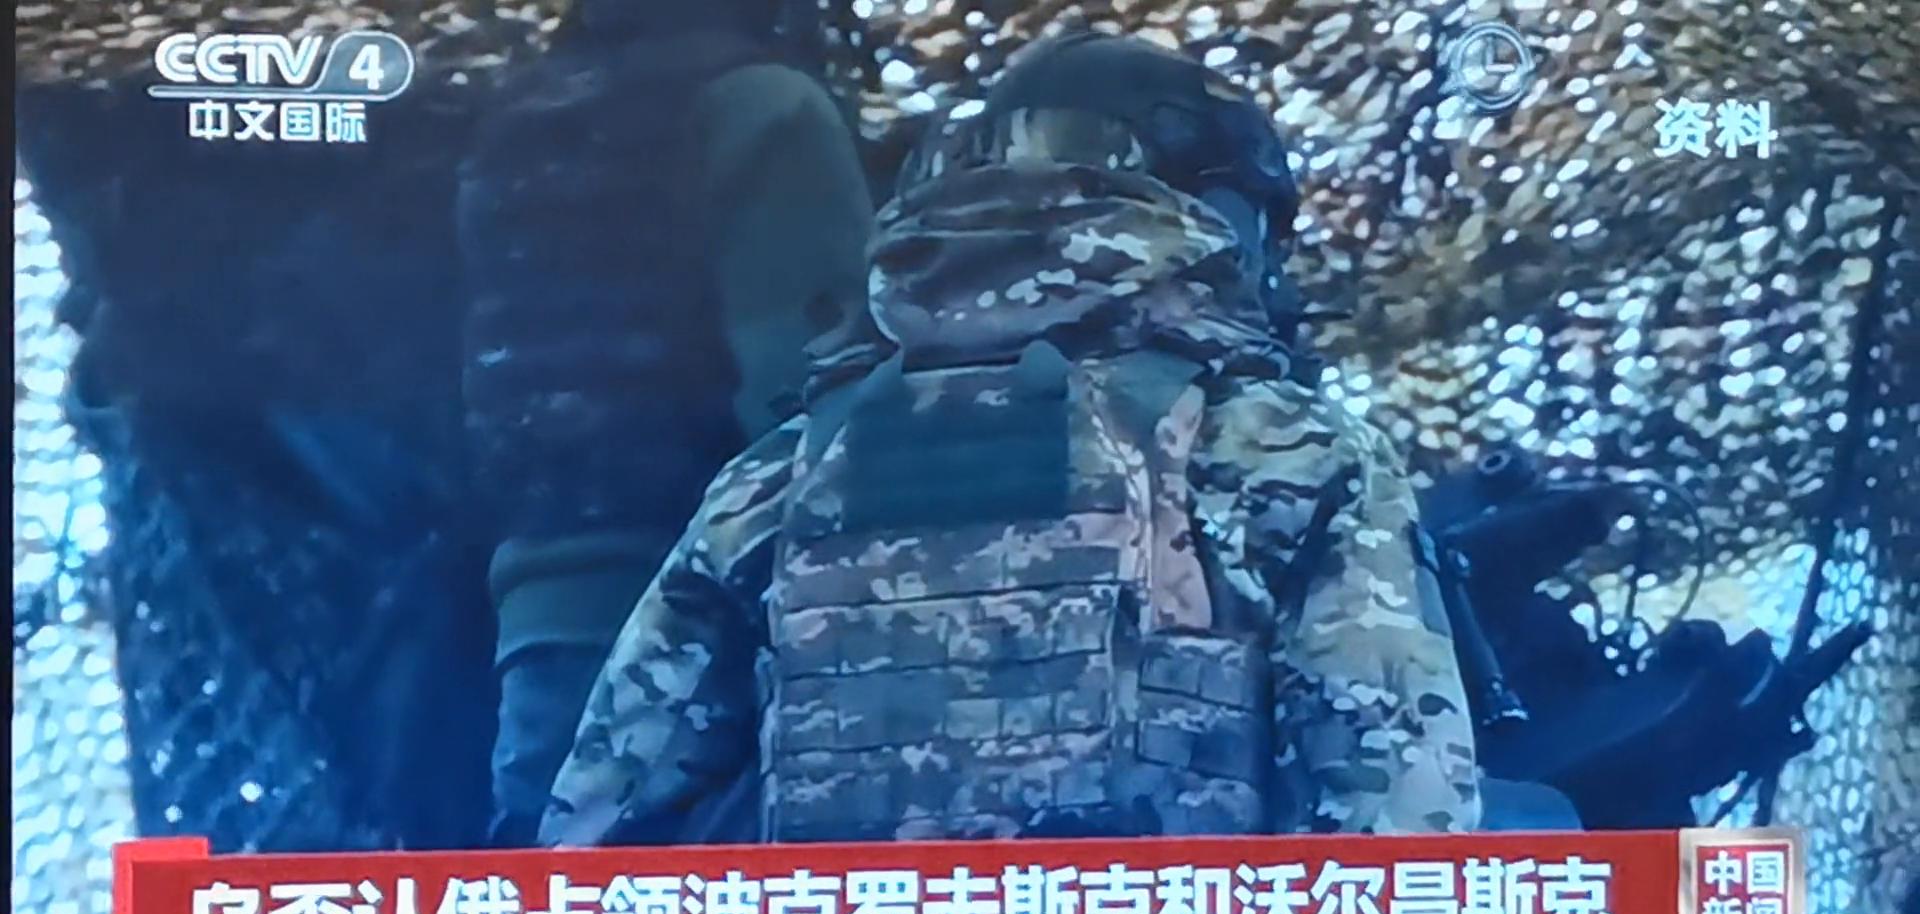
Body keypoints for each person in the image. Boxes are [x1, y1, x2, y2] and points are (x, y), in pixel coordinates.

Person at [539, 32, 1481, 847]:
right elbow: (1402, 834)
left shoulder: (777, 476)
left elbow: (594, 847)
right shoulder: (1288, 452)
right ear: (1227, 225)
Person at [456, 0, 873, 846]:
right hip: (721, 615)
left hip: (544, 608)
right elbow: (803, 393)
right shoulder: (763, 106)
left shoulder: (518, 123)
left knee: (557, 906)